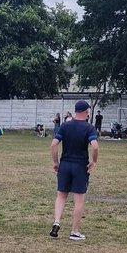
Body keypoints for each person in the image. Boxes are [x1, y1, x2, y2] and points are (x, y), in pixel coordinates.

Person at [49, 100, 99, 241]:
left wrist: (55, 162)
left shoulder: (65, 125)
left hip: (65, 164)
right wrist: (94, 161)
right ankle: (74, 231)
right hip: (80, 166)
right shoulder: (89, 127)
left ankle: (57, 221)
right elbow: (95, 146)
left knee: (61, 196)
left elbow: (54, 144)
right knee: (78, 200)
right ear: (86, 112)